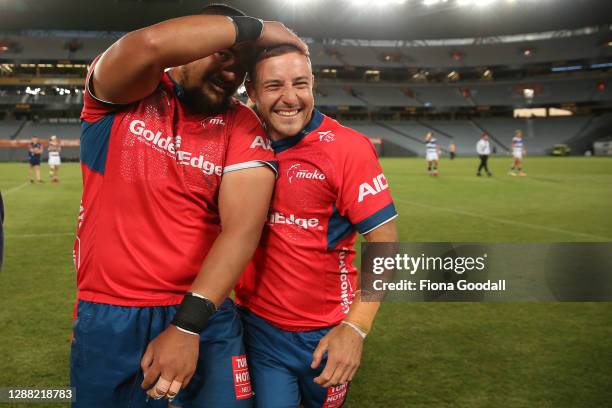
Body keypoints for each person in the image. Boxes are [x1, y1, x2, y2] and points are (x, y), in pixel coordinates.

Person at [71, 5, 307, 407]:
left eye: (243, 63)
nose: (233, 72)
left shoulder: (241, 124)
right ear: (192, 44)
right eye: (224, 54)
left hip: (204, 312)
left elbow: (241, 230)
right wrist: (261, 28)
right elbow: (149, 44)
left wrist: (187, 328)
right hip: (112, 315)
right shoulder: (123, 95)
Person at [236, 45, 398, 408]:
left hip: (326, 332)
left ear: (314, 85)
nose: (290, 98)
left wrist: (356, 327)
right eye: (274, 85)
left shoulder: (347, 149)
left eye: (300, 84)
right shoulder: (238, 143)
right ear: (253, 90)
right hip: (259, 328)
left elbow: (385, 243)